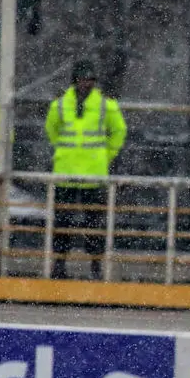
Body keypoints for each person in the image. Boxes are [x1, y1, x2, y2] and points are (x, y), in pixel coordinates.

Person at [44, 59, 126, 280]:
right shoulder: (60, 105)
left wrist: (105, 156)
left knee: (94, 224)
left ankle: (96, 266)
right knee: (62, 222)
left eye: (90, 79)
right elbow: (52, 130)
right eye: (82, 79)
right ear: (74, 80)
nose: (85, 83)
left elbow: (119, 131)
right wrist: (64, 153)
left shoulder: (105, 106)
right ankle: (59, 264)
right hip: (66, 172)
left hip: (94, 173)